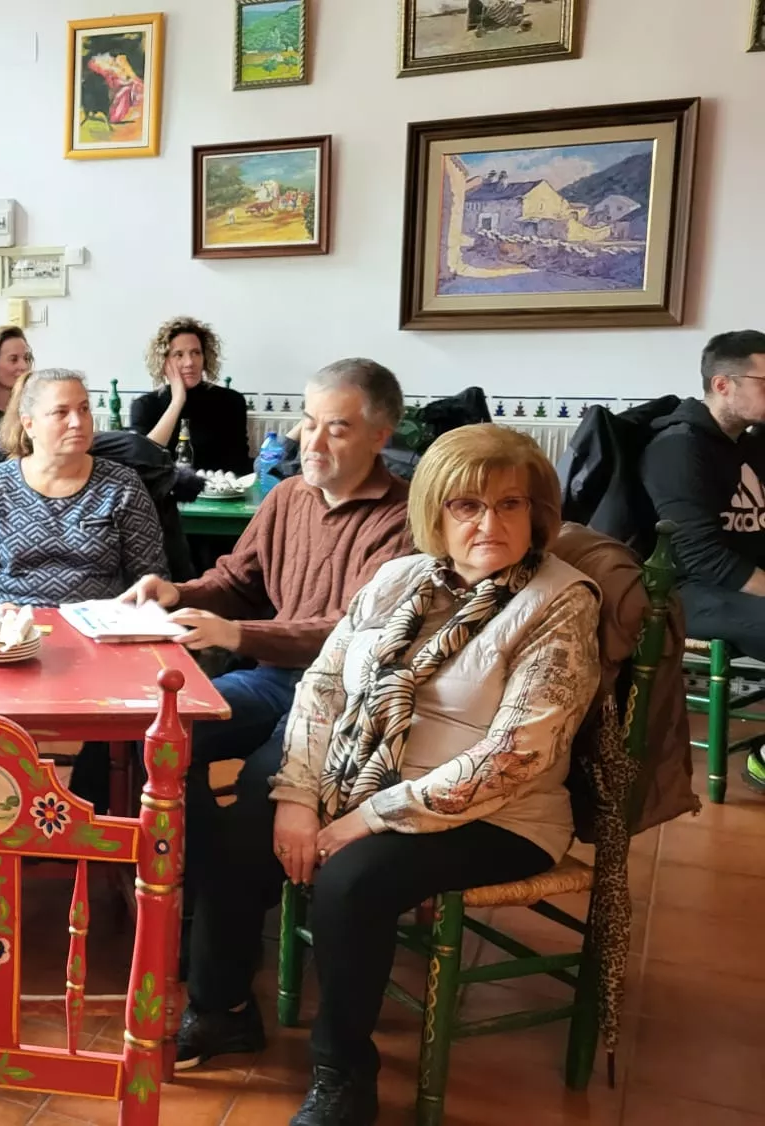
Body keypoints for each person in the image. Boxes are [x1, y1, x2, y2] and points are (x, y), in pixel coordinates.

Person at [179, 425, 600, 1126]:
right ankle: (220, 1009)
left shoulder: (560, 601)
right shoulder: (399, 578)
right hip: (361, 787)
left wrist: (366, 818)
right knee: (239, 831)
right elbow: (320, 690)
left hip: (496, 815)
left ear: (538, 513)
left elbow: (513, 758)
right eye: (467, 506)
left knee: (354, 880)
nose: (489, 523)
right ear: (436, 514)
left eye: (510, 505)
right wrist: (296, 798)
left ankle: (345, 1074)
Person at [121, 359, 414, 851]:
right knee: (159, 739)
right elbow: (239, 582)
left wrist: (237, 635)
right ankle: (191, 878)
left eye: (337, 430)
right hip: (272, 679)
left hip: (344, 700)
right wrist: (177, 593)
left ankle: (222, 888)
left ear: (380, 436)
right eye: (309, 421)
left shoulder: (402, 520)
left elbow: (353, 635)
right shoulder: (286, 496)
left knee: (263, 786)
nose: (313, 443)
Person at [641, 331, 765, 789]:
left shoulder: (749, 444)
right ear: (723, 385)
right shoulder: (678, 447)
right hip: (685, 589)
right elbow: (704, 557)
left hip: (737, 584)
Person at [0, 368, 168, 606]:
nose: (78, 422)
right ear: (29, 425)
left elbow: (151, 579)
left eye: (84, 409)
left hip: (100, 626)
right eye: (61, 412)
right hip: (13, 628)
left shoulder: (122, 485)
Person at [128, 316, 251, 475]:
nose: (189, 362)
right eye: (179, 355)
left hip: (218, 494)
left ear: (204, 358)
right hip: (163, 496)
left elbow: (239, 465)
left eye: (196, 353)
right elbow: (143, 460)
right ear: (164, 362)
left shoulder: (231, 402)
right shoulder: (145, 406)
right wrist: (177, 401)